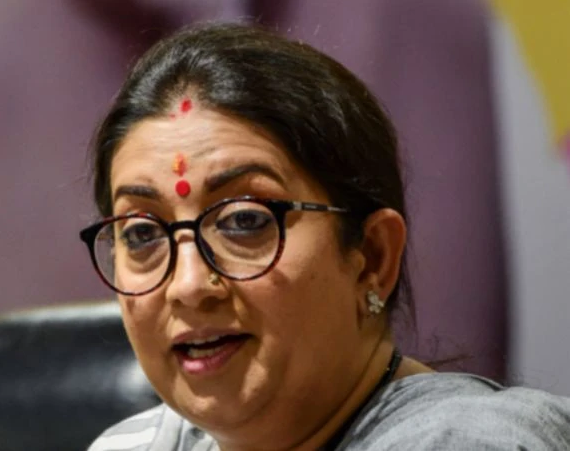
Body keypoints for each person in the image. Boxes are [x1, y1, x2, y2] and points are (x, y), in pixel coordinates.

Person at [79, 23, 570, 450]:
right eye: (142, 232)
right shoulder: (134, 444)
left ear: (372, 257)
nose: (186, 285)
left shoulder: (466, 441)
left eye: (245, 221)